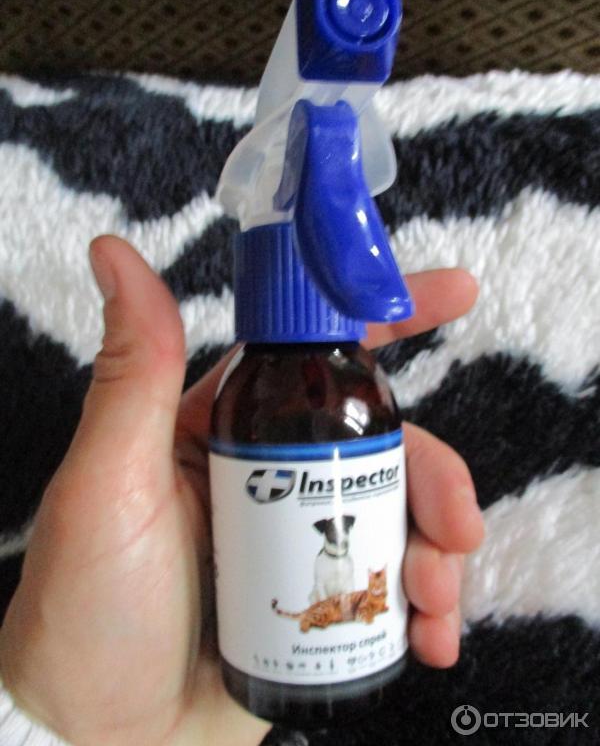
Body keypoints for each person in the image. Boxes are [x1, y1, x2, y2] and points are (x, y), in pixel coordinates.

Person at [0, 236, 484, 746]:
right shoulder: (249, 387)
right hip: (226, 669)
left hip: (343, 655)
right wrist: (55, 720)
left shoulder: (357, 385)